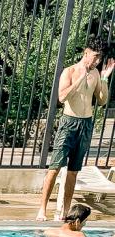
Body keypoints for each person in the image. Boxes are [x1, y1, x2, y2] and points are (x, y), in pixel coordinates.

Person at [37, 43, 113, 222]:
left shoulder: (95, 73)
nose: (97, 60)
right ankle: (42, 210)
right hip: (69, 123)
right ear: (85, 53)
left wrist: (104, 79)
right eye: (95, 56)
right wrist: (80, 79)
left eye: (100, 58)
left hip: (85, 124)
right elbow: (62, 97)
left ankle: (64, 212)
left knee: (73, 172)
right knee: (55, 168)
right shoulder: (69, 72)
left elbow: (101, 101)